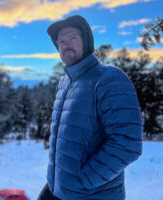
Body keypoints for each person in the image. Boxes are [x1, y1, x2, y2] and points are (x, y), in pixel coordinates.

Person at [37, 15, 143, 200]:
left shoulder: (109, 78)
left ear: (86, 41)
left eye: (72, 38)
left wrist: (83, 182)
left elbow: (128, 144)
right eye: (61, 41)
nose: (66, 45)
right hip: (59, 189)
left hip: (92, 194)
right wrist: (57, 180)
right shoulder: (64, 83)